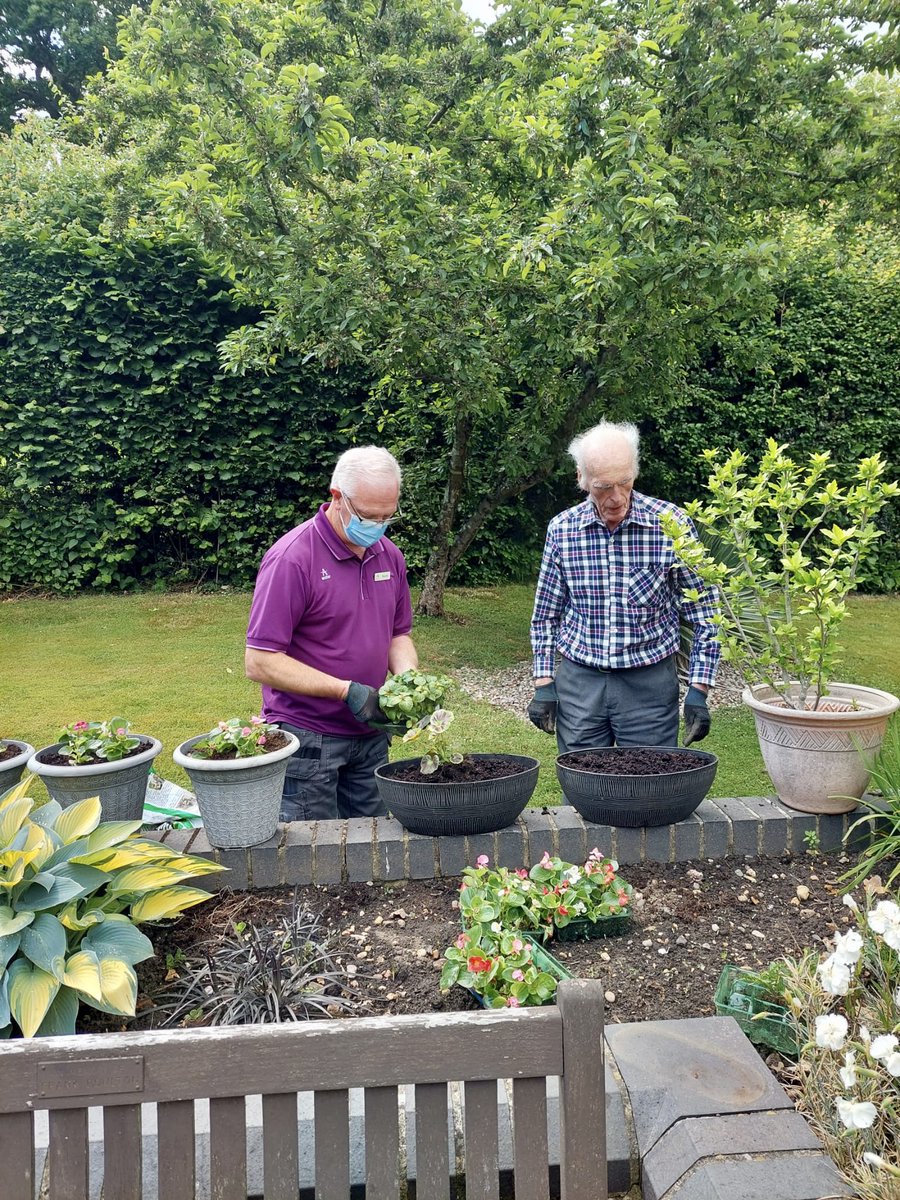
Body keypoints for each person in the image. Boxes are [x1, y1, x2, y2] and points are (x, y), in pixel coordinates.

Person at [245, 446, 418, 820]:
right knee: (311, 859)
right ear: (337, 497)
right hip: (308, 739)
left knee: (374, 846)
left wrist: (409, 684)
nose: (378, 526)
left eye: (388, 516)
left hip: (371, 733)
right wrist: (346, 690)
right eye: (369, 516)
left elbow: (398, 634)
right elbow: (260, 661)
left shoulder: (389, 555)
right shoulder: (292, 558)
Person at [527, 421, 719, 753]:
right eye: (603, 486)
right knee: (581, 787)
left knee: (649, 791)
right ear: (582, 479)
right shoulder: (562, 530)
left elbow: (706, 613)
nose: (616, 498)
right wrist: (544, 684)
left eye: (625, 482)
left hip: (649, 686)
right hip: (580, 685)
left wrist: (699, 691)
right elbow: (545, 615)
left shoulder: (671, 526)